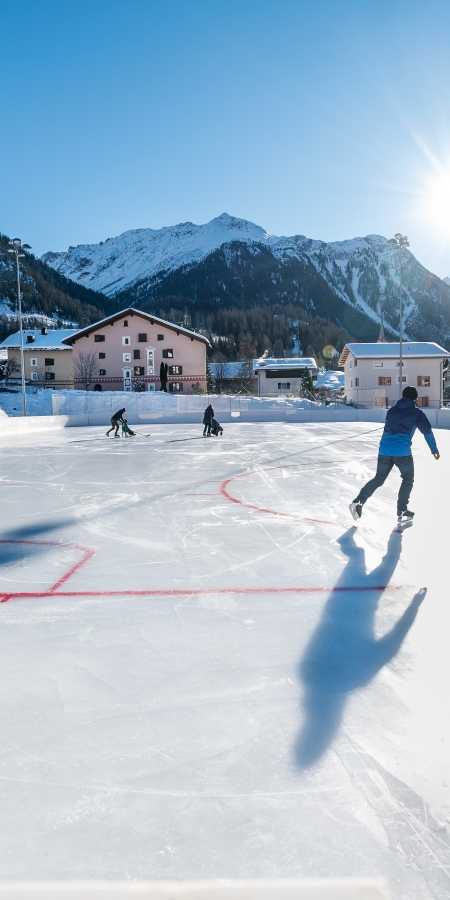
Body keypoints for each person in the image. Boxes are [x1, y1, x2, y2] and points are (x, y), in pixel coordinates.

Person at [349, 385, 440, 522]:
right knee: (408, 479)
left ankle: (358, 502)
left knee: (378, 479)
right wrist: (434, 450)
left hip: (384, 450)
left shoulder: (391, 411)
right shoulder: (417, 413)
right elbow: (427, 432)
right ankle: (402, 509)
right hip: (402, 452)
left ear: (403, 397)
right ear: (415, 399)